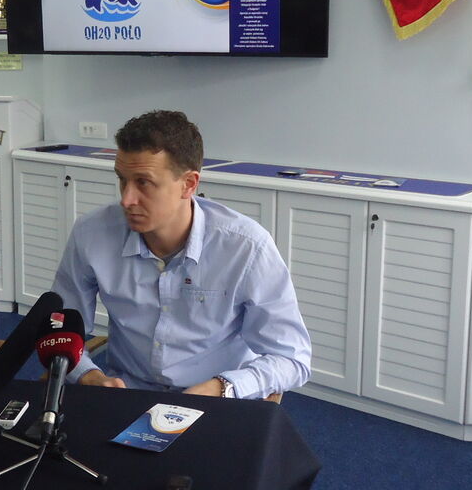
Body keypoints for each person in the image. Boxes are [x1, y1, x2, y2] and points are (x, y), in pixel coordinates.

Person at [53, 110, 311, 399]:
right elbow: (60, 327)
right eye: (122, 180)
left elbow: (292, 358)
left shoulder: (246, 247)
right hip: (128, 394)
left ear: (188, 184)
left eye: (144, 182)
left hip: (217, 399)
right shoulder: (92, 233)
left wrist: (223, 387)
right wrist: (88, 374)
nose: (126, 199)